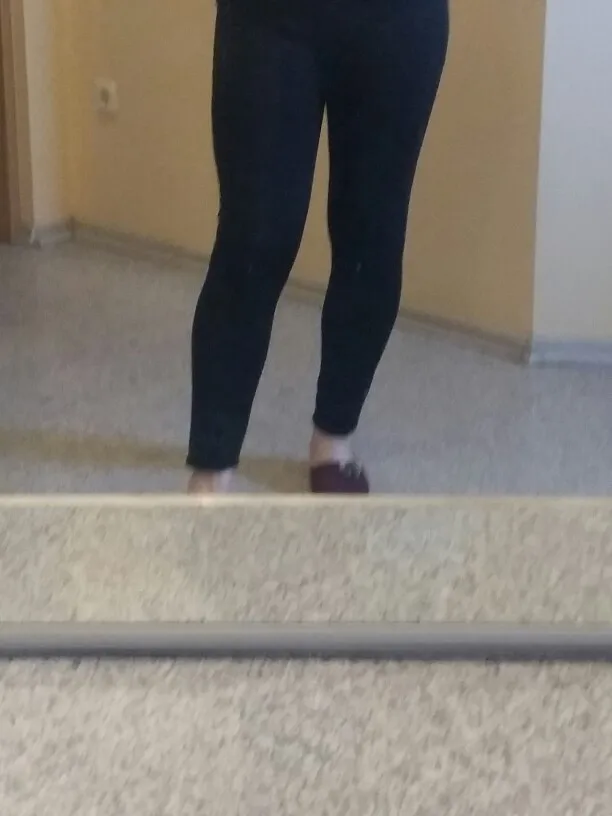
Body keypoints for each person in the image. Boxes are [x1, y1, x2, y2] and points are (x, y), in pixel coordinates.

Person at [188, 0, 449, 494]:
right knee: (254, 238)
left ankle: (333, 439)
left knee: (371, 235)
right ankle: (212, 467)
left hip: (398, 22)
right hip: (267, 20)